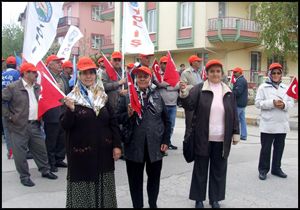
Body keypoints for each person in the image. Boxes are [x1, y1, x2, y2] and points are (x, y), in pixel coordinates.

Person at [61, 56, 122, 208]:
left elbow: (113, 122)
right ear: (79, 76)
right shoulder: (71, 98)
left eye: (91, 72)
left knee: (104, 190)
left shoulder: (103, 96)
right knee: (83, 192)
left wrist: (116, 145)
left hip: (104, 154)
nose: (88, 76)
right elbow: (65, 126)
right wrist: (71, 110)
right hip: (81, 156)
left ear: (96, 75)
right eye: (84, 73)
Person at [179, 59, 240, 208]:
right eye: (212, 71)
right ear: (207, 73)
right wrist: (184, 93)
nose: (215, 74)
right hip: (202, 137)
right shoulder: (200, 89)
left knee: (218, 170)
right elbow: (188, 105)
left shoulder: (228, 91)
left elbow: (234, 113)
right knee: (200, 169)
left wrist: (235, 132)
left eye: (218, 71)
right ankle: (198, 199)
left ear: (222, 73)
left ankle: (215, 199)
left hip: (221, 138)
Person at [116, 66, 171, 208]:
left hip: (155, 146)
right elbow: (116, 119)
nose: (142, 78)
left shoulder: (158, 96)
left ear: (150, 78)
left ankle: (153, 204)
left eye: (145, 76)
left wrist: (166, 140)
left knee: (154, 180)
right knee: (135, 182)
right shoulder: (127, 96)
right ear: (135, 79)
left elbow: (166, 120)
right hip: (134, 146)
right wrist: (127, 114)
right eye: (139, 76)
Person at [2, 62, 58, 187]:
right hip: (18, 126)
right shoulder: (13, 87)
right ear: (25, 73)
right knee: (20, 154)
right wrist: (9, 116)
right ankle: (24, 176)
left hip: (35, 125)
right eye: (33, 72)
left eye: (36, 72)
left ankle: (45, 170)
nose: (36, 74)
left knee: (41, 150)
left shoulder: (38, 87)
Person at [255, 63, 294, 181]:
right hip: (268, 124)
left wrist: (284, 105)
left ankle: (276, 168)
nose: (276, 75)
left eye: (278, 73)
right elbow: (258, 103)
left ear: (281, 74)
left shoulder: (286, 88)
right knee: (266, 149)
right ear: (270, 74)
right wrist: (272, 103)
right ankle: (263, 170)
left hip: (282, 123)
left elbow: (291, 103)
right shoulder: (263, 87)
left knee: (279, 148)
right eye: (274, 73)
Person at [43, 54, 70, 172]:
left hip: (63, 111)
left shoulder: (63, 77)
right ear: (50, 65)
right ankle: (51, 162)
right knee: (51, 139)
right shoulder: (46, 78)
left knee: (62, 137)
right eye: (57, 62)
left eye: (60, 62)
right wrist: (53, 88)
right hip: (52, 112)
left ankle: (59, 159)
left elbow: (67, 92)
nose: (60, 64)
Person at [155, 56, 179, 150]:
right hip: (162, 104)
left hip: (173, 104)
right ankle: (161, 142)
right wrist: (171, 84)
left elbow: (178, 85)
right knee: (162, 124)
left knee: (171, 125)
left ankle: (168, 142)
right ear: (160, 64)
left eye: (167, 63)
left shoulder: (174, 73)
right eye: (164, 63)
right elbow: (159, 83)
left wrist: (167, 85)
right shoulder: (158, 74)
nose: (166, 65)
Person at [180, 55, 204, 141]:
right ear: (193, 62)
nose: (199, 63)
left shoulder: (199, 72)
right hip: (190, 102)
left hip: (200, 101)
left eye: (200, 61)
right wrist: (194, 87)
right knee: (189, 124)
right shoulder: (186, 73)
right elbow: (183, 87)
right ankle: (187, 143)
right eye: (198, 61)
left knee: (198, 124)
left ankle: (195, 143)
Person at [2, 56, 20, 159]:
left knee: (7, 130)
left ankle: (10, 152)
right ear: (15, 65)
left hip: (4, 106)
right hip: (15, 106)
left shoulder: (2, 74)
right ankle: (20, 151)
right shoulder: (16, 74)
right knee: (18, 130)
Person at [232, 67, 248, 140]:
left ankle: (235, 134)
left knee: (234, 120)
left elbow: (238, 92)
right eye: (234, 72)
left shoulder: (240, 81)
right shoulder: (242, 80)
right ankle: (244, 135)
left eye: (235, 72)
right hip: (242, 103)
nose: (234, 74)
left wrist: (230, 93)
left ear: (240, 73)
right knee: (242, 120)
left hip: (239, 103)